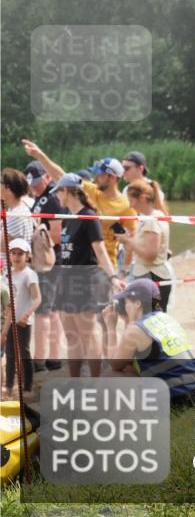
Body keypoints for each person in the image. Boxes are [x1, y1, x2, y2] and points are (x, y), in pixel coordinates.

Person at [22, 142, 137, 280]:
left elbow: (130, 243)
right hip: (81, 263)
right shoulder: (92, 190)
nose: (95, 177)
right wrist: (40, 156)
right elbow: (62, 177)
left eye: (99, 174)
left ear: (112, 178)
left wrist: (123, 273)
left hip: (105, 268)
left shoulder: (126, 206)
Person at [50, 173, 118, 378]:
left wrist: (113, 278)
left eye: (58, 192)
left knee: (88, 335)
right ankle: (75, 381)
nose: (56, 197)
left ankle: (96, 381)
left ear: (67, 191)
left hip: (84, 281)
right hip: (66, 281)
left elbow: (100, 252)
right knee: (71, 336)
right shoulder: (68, 218)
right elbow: (65, 252)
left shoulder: (89, 217)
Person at [108, 278, 195, 403]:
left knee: (112, 376)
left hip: (178, 396)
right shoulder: (166, 318)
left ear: (137, 303)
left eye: (127, 302)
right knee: (130, 368)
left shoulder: (135, 330)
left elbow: (115, 364)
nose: (125, 307)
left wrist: (110, 327)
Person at [24, 160, 64, 372]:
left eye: (38, 180)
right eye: (32, 181)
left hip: (48, 262)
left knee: (43, 312)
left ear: (47, 177)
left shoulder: (52, 198)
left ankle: (40, 361)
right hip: (47, 261)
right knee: (51, 310)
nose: (35, 185)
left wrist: (37, 236)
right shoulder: (39, 198)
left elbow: (57, 235)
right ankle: (53, 358)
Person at [118, 179, 173, 310]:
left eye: (131, 201)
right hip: (146, 275)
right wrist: (123, 272)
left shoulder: (151, 220)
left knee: (151, 321)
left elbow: (150, 255)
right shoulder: (146, 218)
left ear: (142, 198)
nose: (130, 206)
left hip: (153, 276)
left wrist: (127, 241)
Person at [1, 239, 41, 399]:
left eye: (20, 253)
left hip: (23, 322)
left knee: (24, 354)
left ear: (27, 255)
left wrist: (27, 314)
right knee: (10, 355)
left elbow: (37, 298)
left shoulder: (29, 274)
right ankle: (9, 387)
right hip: (9, 320)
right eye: (13, 253)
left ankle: (28, 386)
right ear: (9, 254)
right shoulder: (7, 273)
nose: (17, 257)